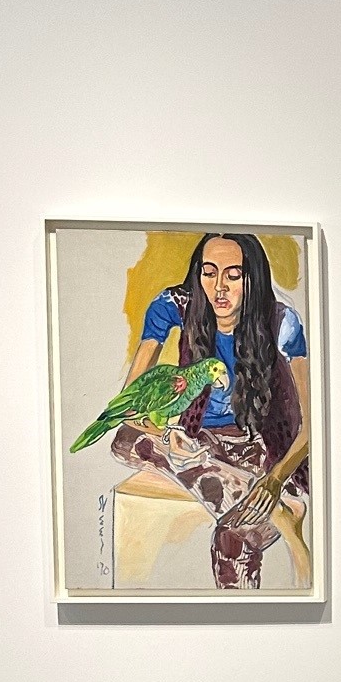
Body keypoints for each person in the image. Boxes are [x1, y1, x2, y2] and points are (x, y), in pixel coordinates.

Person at [111, 233, 312, 589]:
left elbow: (314, 427)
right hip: (197, 441)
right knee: (124, 440)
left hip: (259, 449)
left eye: (234, 275)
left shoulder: (282, 322)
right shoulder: (174, 305)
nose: (219, 288)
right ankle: (275, 514)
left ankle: (271, 515)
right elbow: (132, 398)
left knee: (231, 536)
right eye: (209, 272)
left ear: (254, 279)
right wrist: (165, 435)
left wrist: (277, 478)